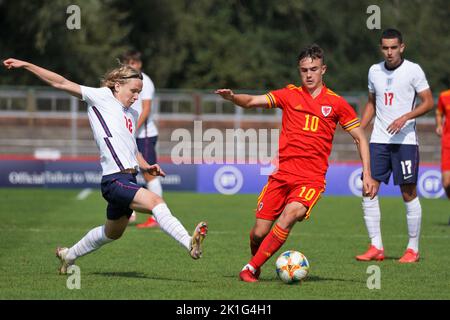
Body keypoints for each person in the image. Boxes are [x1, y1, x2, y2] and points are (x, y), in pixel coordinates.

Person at [2, 58, 208, 274]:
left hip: (129, 178)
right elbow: (61, 83)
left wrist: (146, 166)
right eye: (134, 91)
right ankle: (189, 243)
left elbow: (132, 149)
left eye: (140, 92)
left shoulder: (132, 114)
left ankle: (68, 255)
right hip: (114, 180)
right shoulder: (101, 97)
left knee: (112, 233)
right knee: (156, 201)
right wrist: (27, 65)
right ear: (117, 85)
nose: (137, 96)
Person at [216, 44, 378, 282]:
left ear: (324, 69)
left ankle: (249, 269)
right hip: (282, 175)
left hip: (311, 178)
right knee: (259, 232)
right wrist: (233, 98)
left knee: (290, 215)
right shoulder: (288, 95)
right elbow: (251, 101)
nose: (309, 74)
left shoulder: (337, 103)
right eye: (304, 70)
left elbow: (360, 138)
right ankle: (257, 261)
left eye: (313, 69)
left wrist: (367, 173)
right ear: (299, 71)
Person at [356, 28, 434, 263]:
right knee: (368, 188)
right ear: (381, 48)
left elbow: (428, 102)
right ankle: (376, 247)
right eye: (385, 48)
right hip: (379, 139)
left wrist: (405, 117)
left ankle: (413, 249)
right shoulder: (374, 71)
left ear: (402, 47)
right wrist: (359, 127)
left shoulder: (413, 70)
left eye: (393, 47)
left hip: (405, 142)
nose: (389, 52)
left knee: (408, 192)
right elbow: (372, 103)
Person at [119, 50, 161, 228]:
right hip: (130, 135)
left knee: (149, 173)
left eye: (134, 62)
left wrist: (132, 130)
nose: (131, 65)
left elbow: (146, 109)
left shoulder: (146, 81)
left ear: (140, 64)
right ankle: (130, 213)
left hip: (144, 134)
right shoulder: (124, 81)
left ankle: (157, 216)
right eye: (128, 62)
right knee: (126, 171)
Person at [435, 89, 450, 200]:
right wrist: (439, 125)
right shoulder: (444, 95)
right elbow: (439, 112)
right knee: (446, 183)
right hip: (447, 144)